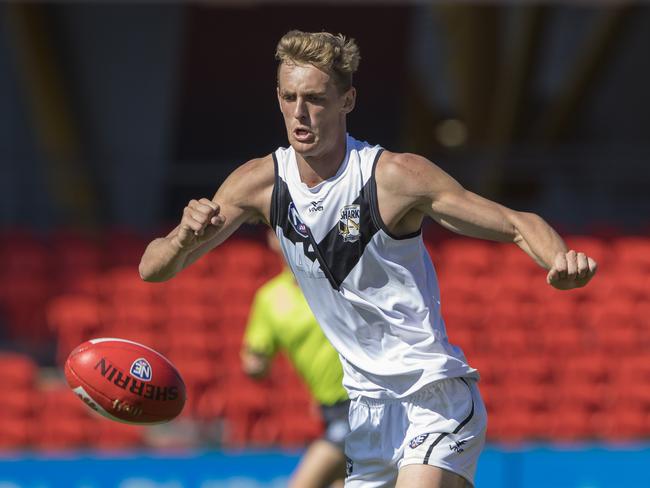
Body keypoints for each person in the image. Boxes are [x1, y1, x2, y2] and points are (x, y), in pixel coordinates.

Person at [139, 30, 598, 488]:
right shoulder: (259, 183)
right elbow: (153, 269)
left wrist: (560, 260)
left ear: (348, 100)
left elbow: (516, 222)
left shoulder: (394, 177)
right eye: (289, 97)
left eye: (316, 99)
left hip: (431, 396)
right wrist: (182, 236)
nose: (300, 113)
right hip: (364, 414)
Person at [241, 230, 349, 488]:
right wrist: (254, 365)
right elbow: (256, 355)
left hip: (364, 401)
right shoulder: (269, 298)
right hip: (329, 410)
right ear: (271, 239)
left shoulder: (344, 277)